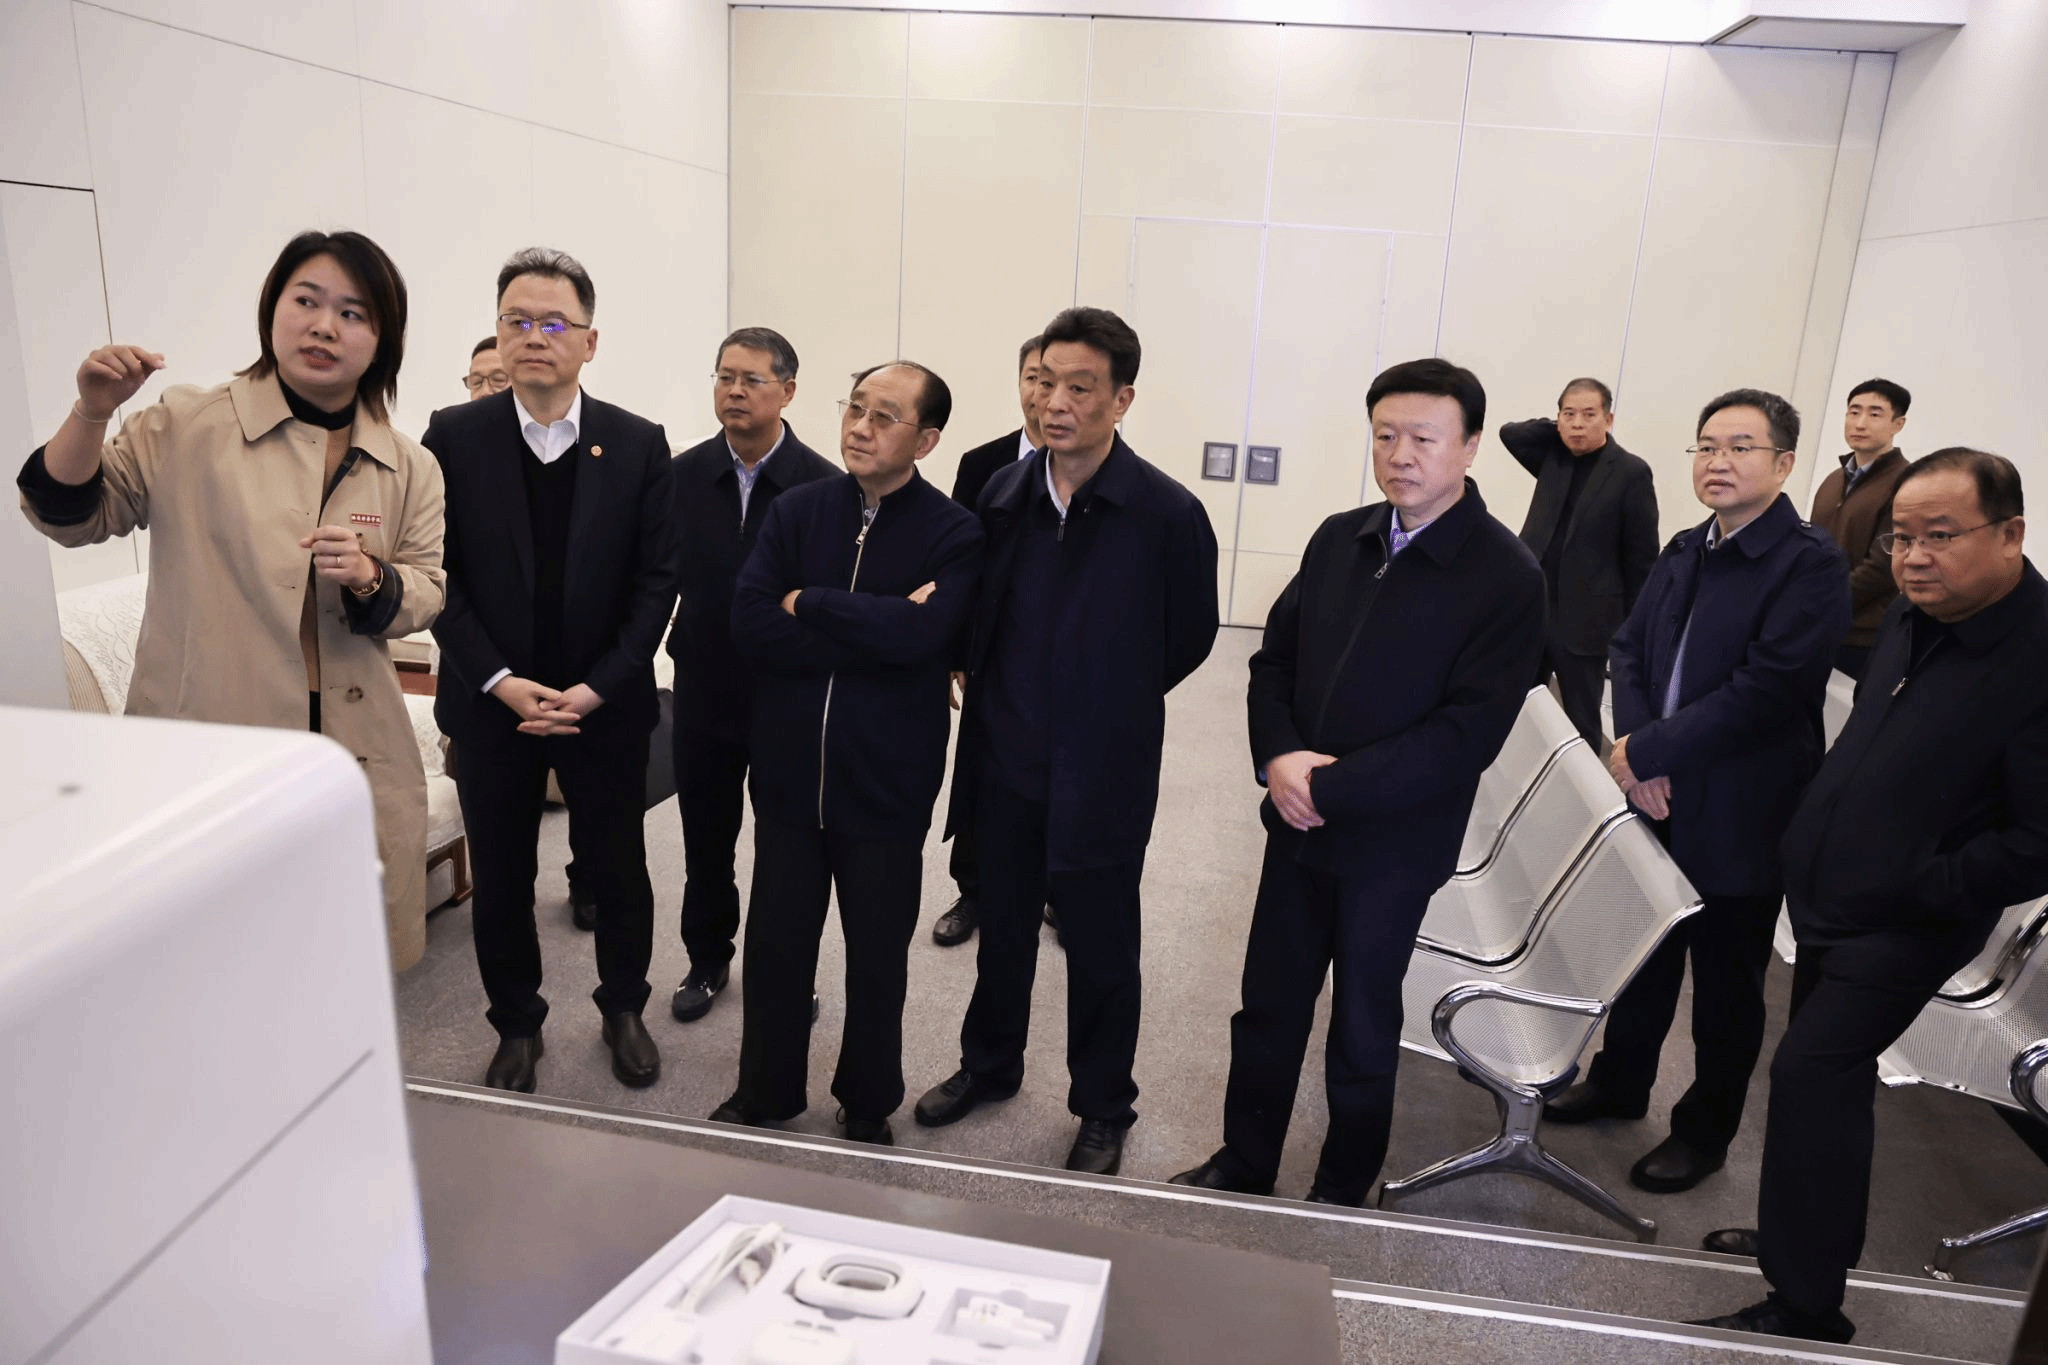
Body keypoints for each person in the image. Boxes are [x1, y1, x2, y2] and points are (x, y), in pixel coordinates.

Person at [1170, 358, 1546, 1205]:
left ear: (1470, 447)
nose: (1400, 454)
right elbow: (1274, 659)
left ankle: (1341, 1190)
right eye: (1385, 435)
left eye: (1424, 438)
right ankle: (1245, 1160)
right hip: (1297, 824)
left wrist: (1327, 788)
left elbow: (1464, 735)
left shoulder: (1507, 576)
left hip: (1393, 844)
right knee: (1267, 1005)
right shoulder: (1341, 536)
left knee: (1364, 1024)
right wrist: (1278, 757)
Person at [16, 229, 446, 970]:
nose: (323, 326)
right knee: (210, 965)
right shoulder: (188, 423)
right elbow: (74, 517)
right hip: (208, 747)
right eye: (306, 301)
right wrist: (90, 412)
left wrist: (372, 576)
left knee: (334, 963)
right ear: (272, 309)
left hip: (353, 750)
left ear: (383, 339)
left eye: (352, 313)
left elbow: (427, 590)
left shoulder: (409, 464)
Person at [1693, 449, 2048, 1345]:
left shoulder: (2037, 658)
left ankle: (1807, 1306)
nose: (1914, 558)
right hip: (1831, 897)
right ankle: (1809, 1240)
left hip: (1910, 919)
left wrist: (1915, 881)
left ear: (2010, 533)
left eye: (1940, 536)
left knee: (1811, 1072)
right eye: (1901, 538)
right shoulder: (1912, 615)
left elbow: (2038, 842)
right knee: (1829, 1084)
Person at [915, 306, 1220, 1177]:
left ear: (1121, 399)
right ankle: (989, 1064)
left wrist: (1105, 698)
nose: (1055, 402)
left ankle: (1103, 1104)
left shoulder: (1166, 512)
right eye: (1045, 382)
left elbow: (1190, 634)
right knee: (1004, 925)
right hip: (1004, 754)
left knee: (1099, 943)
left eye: (1080, 388)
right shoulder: (1002, 495)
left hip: (1103, 765)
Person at [1544, 389, 1849, 1198]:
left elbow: (1766, 691)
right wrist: (1639, 754)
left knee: (1725, 984)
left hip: (1741, 805)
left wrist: (1647, 750)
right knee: (1646, 951)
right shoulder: (1688, 546)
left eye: (1741, 446)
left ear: (1784, 463)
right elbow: (1628, 647)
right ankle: (1620, 1082)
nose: (1718, 461)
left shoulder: (1809, 564)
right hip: (1657, 792)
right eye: (1707, 445)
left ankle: (1703, 1132)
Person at [424, 247, 675, 1094]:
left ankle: (623, 1008)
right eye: (518, 320)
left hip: (603, 702)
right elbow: (439, 575)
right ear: (498, 334)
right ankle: (517, 1023)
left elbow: (657, 582)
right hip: (491, 702)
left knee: (618, 867)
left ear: (589, 342)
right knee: (503, 876)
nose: (535, 336)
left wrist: (598, 686)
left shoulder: (638, 443)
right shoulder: (453, 437)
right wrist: (498, 680)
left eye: (554, 322)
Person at [712, 361, 982, 1144]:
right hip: (789, 771)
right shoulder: (797, 509)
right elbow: (749, 621)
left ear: (926, 440)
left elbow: (926, 637)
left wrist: (811, 602)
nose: (861, 427)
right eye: (856, 408)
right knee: (776, 946)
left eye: (885, 416)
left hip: (888, 781)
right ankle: (764, 1091)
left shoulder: (954, 531)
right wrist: (876, 624)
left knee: (877, 954)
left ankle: (867, 1100)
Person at [665, 328, 839, 1022]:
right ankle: (707, 958)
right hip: (703, 687)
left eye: (751, 380)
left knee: (788, 847)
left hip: (784, 696)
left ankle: (788, 971)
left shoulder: (824, 485)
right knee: (705, 838)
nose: (734, 391)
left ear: (787, 391)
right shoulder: (681, 475)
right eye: (724, 377)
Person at [931, 333, 1047, 949]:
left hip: (1060, 658)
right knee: (980, 770)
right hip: (990, 653)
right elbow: (957, 564)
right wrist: (955, 652)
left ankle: (1055, 891)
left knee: (1059, 775)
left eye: (1057, 381)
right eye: (1033, 377)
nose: (1042, 393)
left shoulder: (1098, 469)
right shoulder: (983, 463)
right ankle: (973, 889)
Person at [1500, 377, 1659, 747]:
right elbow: (1511, 434)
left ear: (1609, 419)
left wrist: (1635, 627)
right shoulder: (1551, 455)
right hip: (1534, 606)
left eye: (1589, 415)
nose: (1577, 424)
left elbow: (1641, 557)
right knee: (1514, 703)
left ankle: (1579, 783)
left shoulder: (1631, 472)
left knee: (1581, 720)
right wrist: (1558, 427)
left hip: (1586, 620)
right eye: (1568, 414)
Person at [1808, 379, 1912, 681]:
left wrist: (1822, 603)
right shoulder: (1833, 480)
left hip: (1864, 637)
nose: (1860, 423)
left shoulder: (1906, 483)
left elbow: (1882, 566)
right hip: (1819, 626)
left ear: (1898, 424)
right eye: (1854, 412)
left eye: (1875, 414)